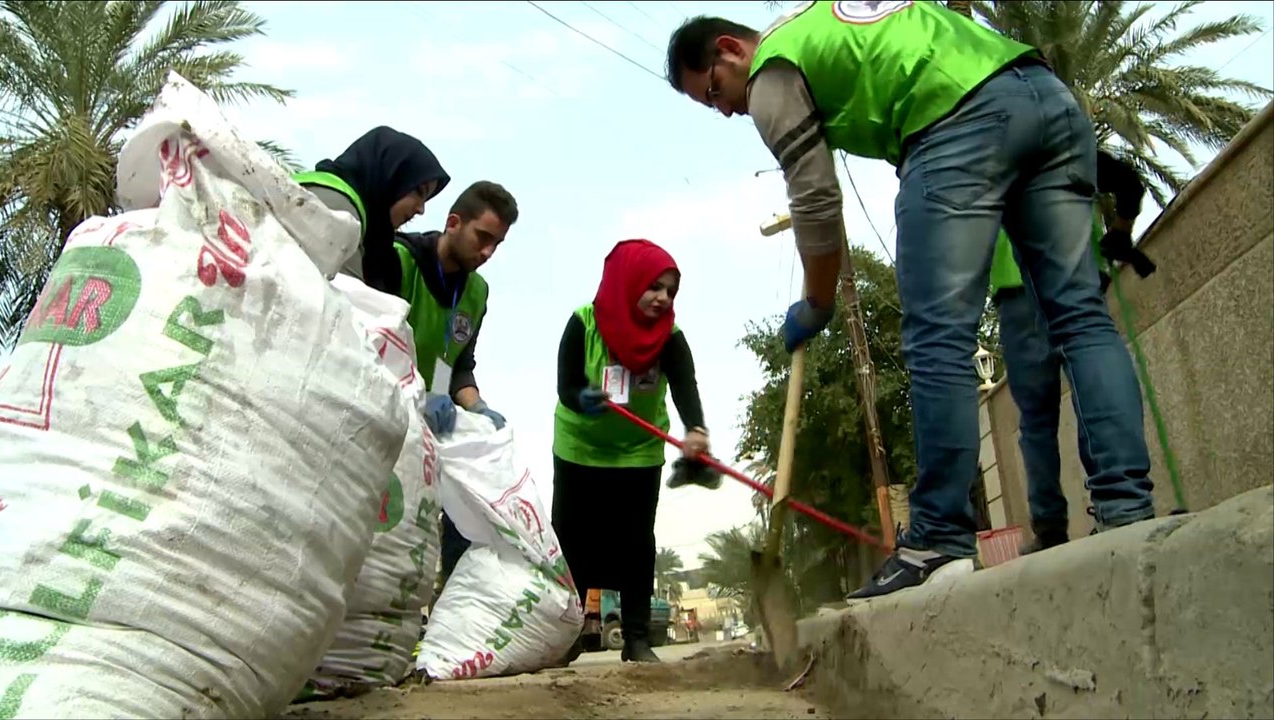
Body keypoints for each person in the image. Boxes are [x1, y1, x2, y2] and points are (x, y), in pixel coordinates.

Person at [664, 2, 1156, 600]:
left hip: (958, 123)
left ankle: (938, 540)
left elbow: (816, 201)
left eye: (713, 92)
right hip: (1045, 97)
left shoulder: (771, 70)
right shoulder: (822, 23)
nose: (726, 109)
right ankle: (1128, 511)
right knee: (1080, 316)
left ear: (730, 50)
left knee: (939, 338)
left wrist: (817, 303)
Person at [551, 239, 718, 664]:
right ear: (629, 283)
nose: (663, 298)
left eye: (670, 291)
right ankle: (565, 636)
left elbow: (685, 386)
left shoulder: (671, 337)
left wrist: (695, 430)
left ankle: (637, 638)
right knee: (572, 542)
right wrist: (579, 398)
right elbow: (566, 385)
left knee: (636, 544)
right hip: (579, 450)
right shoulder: (582, 322)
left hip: (639, 453)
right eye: (654, 287)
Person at [990, 149, 1157, 555]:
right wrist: (1120, 230)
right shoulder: (1060, 129)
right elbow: (1129, 184)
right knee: (1090, 367)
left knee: (1036, 416)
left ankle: (1049, 528)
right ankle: (1122, 504)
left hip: (1016, 288)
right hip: (1080, 271)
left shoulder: (983, 140)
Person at [392, 181, 521, 585]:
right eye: (483, 237)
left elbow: (459, 363)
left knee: (465, 511)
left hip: (433, 425)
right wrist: (416, 393)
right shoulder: (401, 260)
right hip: (387, 414)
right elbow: (368, 343)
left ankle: (447, 606)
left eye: (497, 244)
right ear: (452, 223)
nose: (487, 253)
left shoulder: (476, 291)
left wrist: (477, 407)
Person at [295, 126, 451, 293]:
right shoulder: (337, 208)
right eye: (419, 191)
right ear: (392, 176)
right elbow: (344, 306)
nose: (421, 209)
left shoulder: (372, 235)